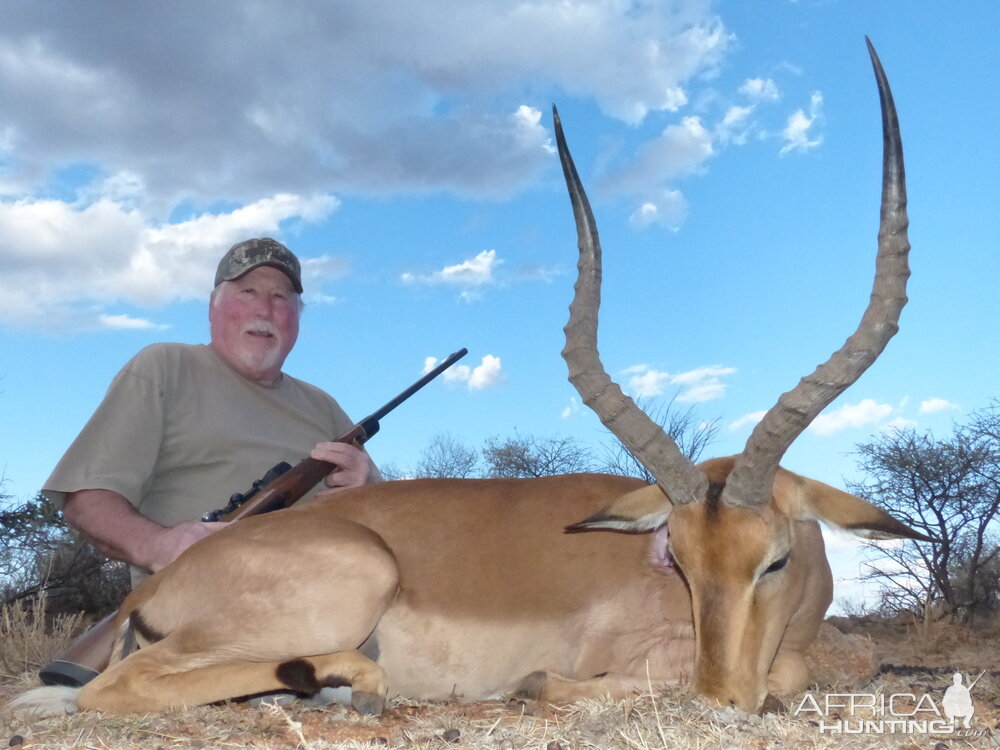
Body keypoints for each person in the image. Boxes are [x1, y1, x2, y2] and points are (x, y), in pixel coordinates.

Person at [43, 238, 378, 583]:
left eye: (280, 297)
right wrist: (160, 546)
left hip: (340, 605)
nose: (264, 309)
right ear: (212, 307)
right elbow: (87, 499)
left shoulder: (323, 406)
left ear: (296, 318)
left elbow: (394, 519)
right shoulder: (165, 367)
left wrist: (367, 493)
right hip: (207, 610)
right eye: (248, 291)